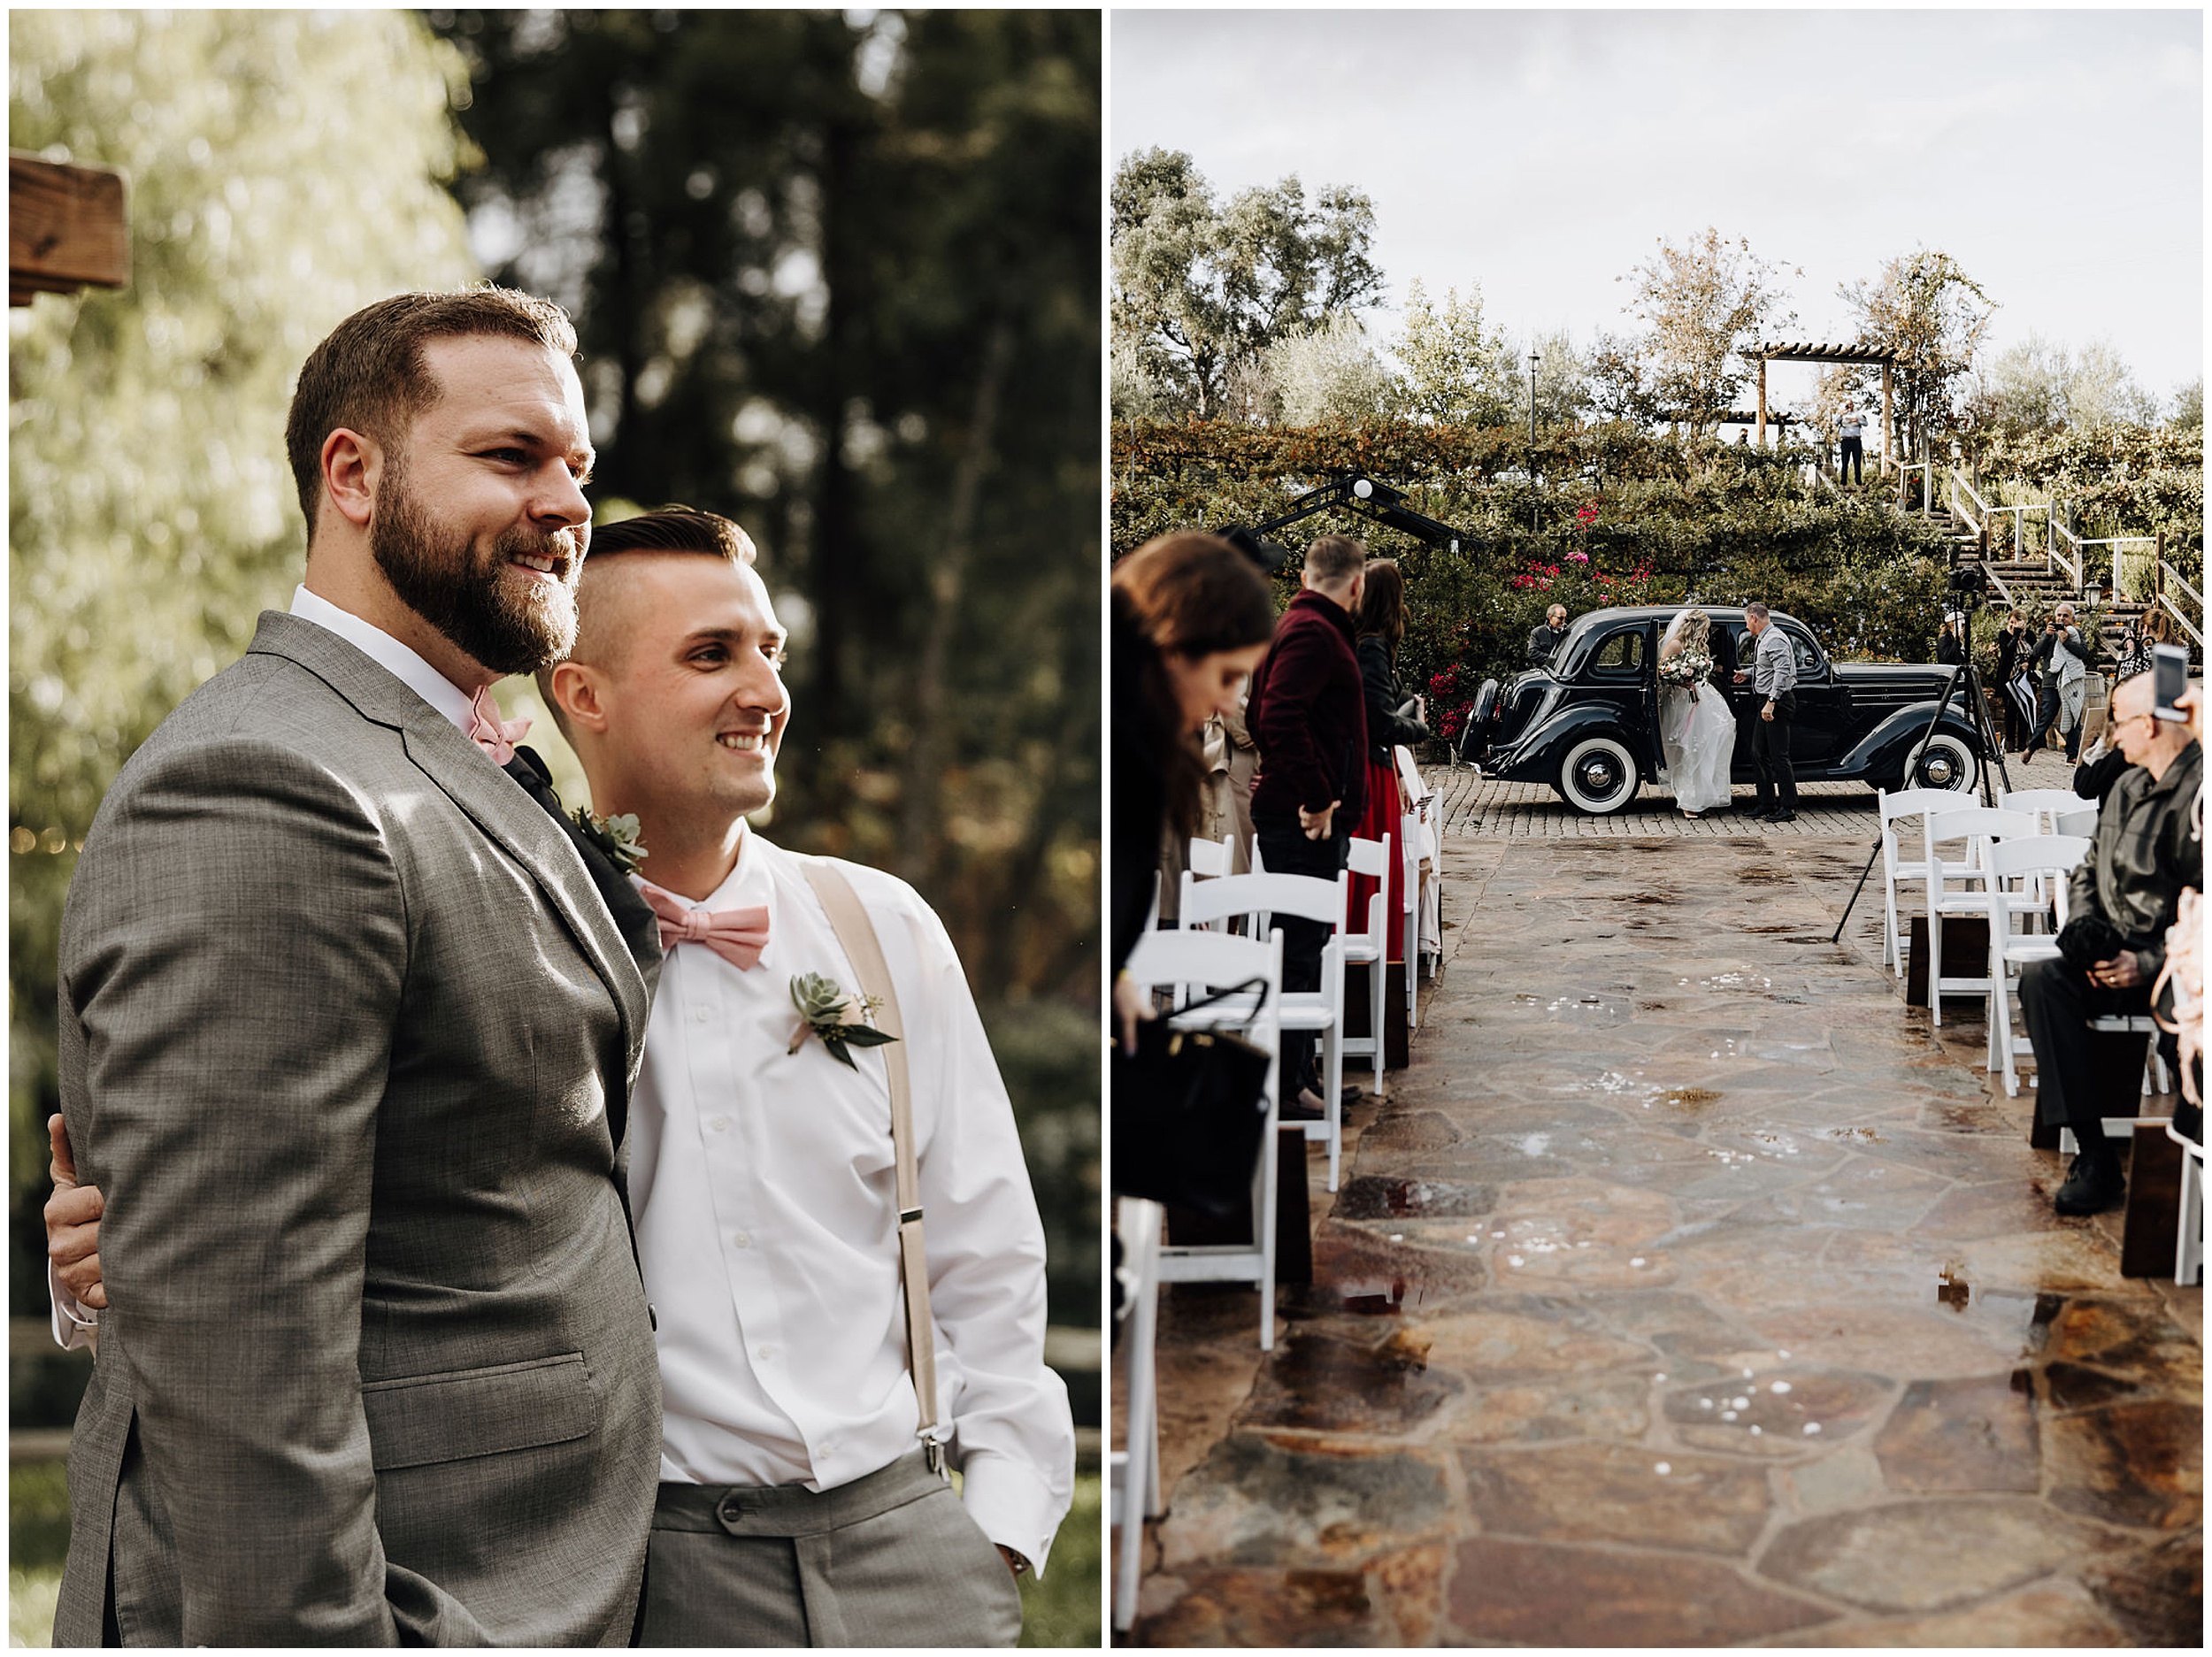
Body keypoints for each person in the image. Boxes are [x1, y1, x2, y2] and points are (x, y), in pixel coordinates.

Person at [54, 507, 1078, 1645]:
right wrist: (124, 1247)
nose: (765, 691)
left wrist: (994, 1531)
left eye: (770, 650)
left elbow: (986, 1247)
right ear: (583, 695)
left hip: (913, 1552)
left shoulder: (883, 928)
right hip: (641, 1568)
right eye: (711, 655)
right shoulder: (507, 949)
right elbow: (327, 1214)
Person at [40, 288, 663, 1645]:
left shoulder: (432, 742)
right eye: (511, 456)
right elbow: (238, 1368)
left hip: (537, 1575)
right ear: (354, 475)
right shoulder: (264, 781)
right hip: (420, 1603)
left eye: (577, 466)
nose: (568, 503)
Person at [2018, 670, 2202, 1214]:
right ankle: (2094, 1155)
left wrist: (2144, 963)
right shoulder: (2125, 787)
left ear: (2150, 725)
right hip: (2111, 948)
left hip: (2176, 968)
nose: (2113, 735)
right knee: (2043, 981)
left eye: (2119, 722)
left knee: (2188, 1028)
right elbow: (2088, 869)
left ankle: (2189, 1166)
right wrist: (2083, 931)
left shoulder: (2200, 796)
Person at [1109, 533, 1279, 1046]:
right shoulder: (1120, 754)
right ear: (1173, 647)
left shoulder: (1151, 749)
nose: (1228, 704)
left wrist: (1119, 981)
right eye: (1227, 678)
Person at [1246, 533, 1370, 1116]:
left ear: (1305, 574)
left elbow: (1257, 712)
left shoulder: (1296, 625)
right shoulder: (1314, 632)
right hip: (1304, 821)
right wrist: (1318, 795)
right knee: (1299, 950)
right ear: (1357, 583)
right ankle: (1290, 1091)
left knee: (1306, 946)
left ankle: (1301, 1076)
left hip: (1296, 813)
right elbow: (1275, 714)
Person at [1350, 559, 1431, 964]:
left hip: (1372, 765)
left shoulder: (1357, 641)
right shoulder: (1372, 647)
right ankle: (1374, 964)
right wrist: (1419, 726)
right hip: (1370, 770)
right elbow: (1377, 722)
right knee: (1376, 868)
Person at [1657, 609, 1737, 817]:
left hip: (1701, 696)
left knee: (1712, 740)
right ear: (1696, 626)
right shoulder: (1675, 644)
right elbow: (1662, 670)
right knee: (1690, 749)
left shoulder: (1699, 646)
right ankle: (1688, 802)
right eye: (1705, 628)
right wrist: (1681, 680)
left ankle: (1701, 796)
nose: (1706, 633)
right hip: (1683, 700)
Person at [1733, 601, 1797, 822]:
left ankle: (1788, 807)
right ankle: (1766, 803)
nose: (1746, 626)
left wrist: (1771, 701)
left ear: (1753, 618)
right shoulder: (1764, 638)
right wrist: (1747, 673)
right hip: (1767, 701)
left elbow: (1782, 671)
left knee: (1779, 756)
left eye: (1746, 621)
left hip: (1777, 702)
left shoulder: (1775, 638)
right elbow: (1766, 667)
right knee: (1758, 752)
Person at [2023, 602, 2090, 764]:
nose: (2061, 618)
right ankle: (2031, 748)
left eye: (2065, 616)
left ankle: (2072, 754)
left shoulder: (2077, 634)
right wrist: (2047, 636)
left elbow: (2083, 653)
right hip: (2051, 681)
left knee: (2074, 715)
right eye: (2059, 615)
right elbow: (2036, 652)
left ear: (2072, 619)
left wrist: (2067, 642)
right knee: (2046, 716)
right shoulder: (2049, 634)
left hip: (2070, 681)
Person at [1994, 606, 2033, 753]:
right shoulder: (2004, 635)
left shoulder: (2030, 635)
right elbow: (2007, 653)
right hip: (2010, 678)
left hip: (2025, 678)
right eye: (2011, 622)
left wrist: (2029, 664)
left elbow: (2035, 654)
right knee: (2010, 710)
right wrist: (2016, 635)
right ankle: (2010, 741)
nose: (2013, 625)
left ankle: (2022, 742)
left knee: (2024, 710)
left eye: (2017, 622)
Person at [1527, 602, 1571, 667]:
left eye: (1565, 618)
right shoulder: (1538, 633)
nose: (1563, 621)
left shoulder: (1568, 632)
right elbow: (1533, 653)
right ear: (1550, 617)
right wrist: (1551, 659)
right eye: (1561, 618)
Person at [1838, 406, 1865, 485]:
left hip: (1856, 440)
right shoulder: (1842, 415)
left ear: (1853, 406)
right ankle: (1843, 482)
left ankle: (1858, 482)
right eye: (1847, 405)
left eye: (1850, 405)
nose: (1849, 407)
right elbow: (1835, 423)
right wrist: (1841, 415)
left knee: (1857, 462)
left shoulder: (1857, 414)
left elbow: (1865, 423)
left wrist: (1857, 420)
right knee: (1844, 462)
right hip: (1846, 440)